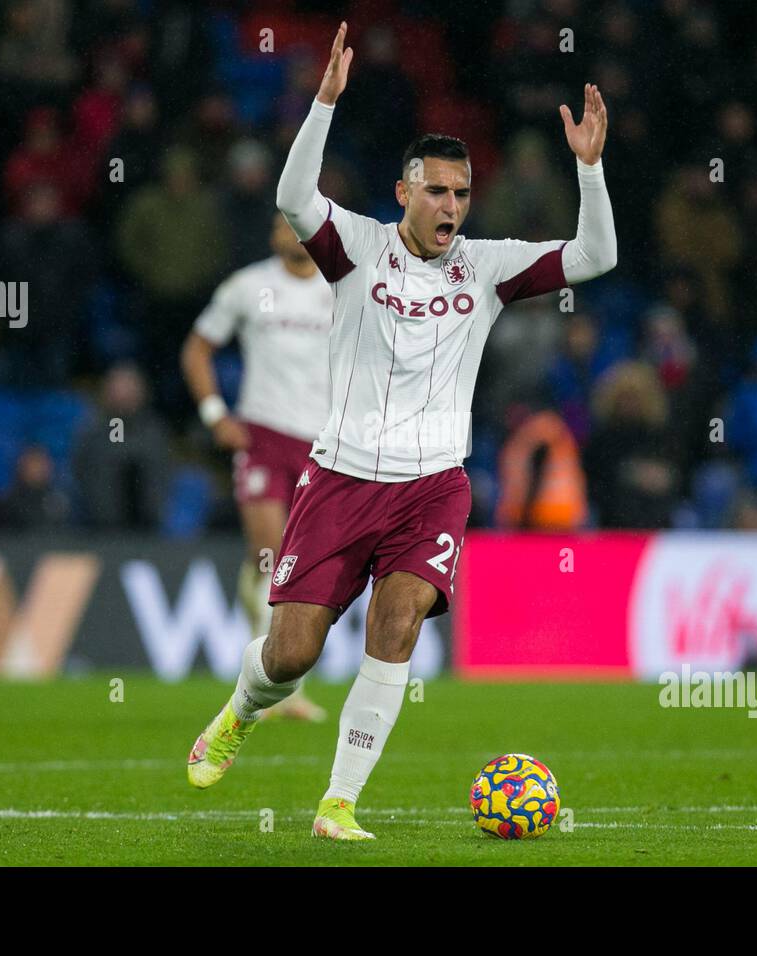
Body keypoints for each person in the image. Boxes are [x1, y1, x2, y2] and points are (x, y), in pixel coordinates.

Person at [185, 22, 617, 840]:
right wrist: (322, 106)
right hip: (341, 479)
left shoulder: (487, 269)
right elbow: (291, 199)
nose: (451, 205)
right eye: (436, 191)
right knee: (291, 655)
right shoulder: (355, 248)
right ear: (403, 193)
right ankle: (240, 712)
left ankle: (338, 804)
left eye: (461, 192)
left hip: (433, 487)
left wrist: (588, 170)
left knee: (400, 619)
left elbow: (596, 257)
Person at [179, 213, 332, 723]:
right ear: (271, 236)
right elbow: (197, 349)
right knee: (270, 556)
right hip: (263, 436)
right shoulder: (248, 286)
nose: (290, 234)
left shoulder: (344, 286)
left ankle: (288, 685)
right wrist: (214, 414)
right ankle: (266, 680)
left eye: (298, 226)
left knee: (304, 564)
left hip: (327, 444)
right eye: (281, 226)